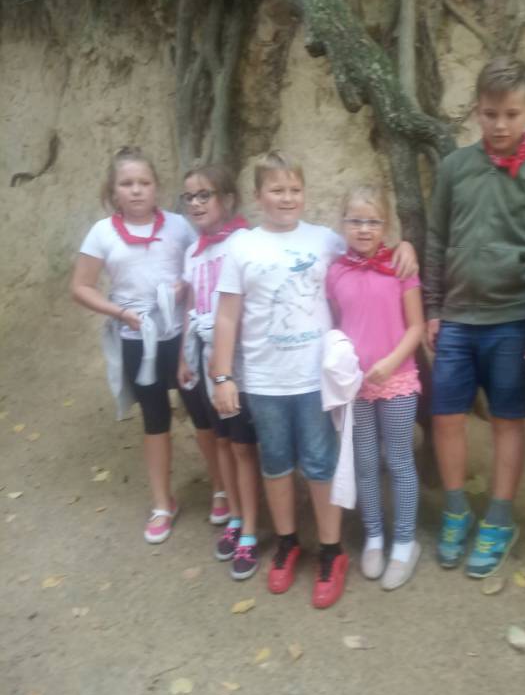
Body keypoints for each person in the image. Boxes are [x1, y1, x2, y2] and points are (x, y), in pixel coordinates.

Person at [211, 151, 417, 609]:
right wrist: (222, 375)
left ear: (305, 193)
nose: (287, 198)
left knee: (322, 464)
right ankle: (287, 543)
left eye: (295, 190)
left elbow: (372, 243)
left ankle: (331, 550)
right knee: (276, 464)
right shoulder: (242, 247)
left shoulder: (325, 240)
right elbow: (226, 316)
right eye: (277, 190)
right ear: (258, 195)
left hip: (315, 380)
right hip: (264, 379)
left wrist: (406, 246)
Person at [423, 56, 525, 577]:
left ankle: (500, 518)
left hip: (514, 320)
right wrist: (433, 307)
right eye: (489, 114)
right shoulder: (455, 167)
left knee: (508, 418)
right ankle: (456, 510)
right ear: (476, 112)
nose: (500, 125)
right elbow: (436, 238)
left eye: (511, 114)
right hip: (457, 318)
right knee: (445, 416)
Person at [71, 146, 223, 544]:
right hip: (138, 340)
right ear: (113, 190)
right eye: (127, 183)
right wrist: (121, 313)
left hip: (182, 338)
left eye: (144, 182)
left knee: (202, 414)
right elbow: (81, 287)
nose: (136, 190)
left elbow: (202, 264)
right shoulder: (102, 233)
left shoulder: (178, 226)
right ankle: (162, 503)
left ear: (157, 187)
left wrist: (183, 288)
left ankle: (221, 488)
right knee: (155, 420)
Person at [327, 185, 424, 590]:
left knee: (399, 460)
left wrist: (390, 362)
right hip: (356, 388)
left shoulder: (401, 268)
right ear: (343, 224)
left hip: (398, 381)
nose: (364, 229)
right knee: (364, 463)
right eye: (355, 221)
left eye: (373, 221)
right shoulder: (335, 272)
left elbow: (416, 326)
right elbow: (337, 324)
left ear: (386, 226)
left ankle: (404, 542)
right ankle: (374, 536)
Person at [177, 164, 261, 580]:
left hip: (238, 364)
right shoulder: (192, 252)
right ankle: (235, 515)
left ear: (227, 199)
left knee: (244, 447)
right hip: (206, 364)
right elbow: (190, 306)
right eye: (189, 197)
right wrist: (183, 356)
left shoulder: (244, 243)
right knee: (223, 441)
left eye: (204, 195)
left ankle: (250, 531)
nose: (195, 203)